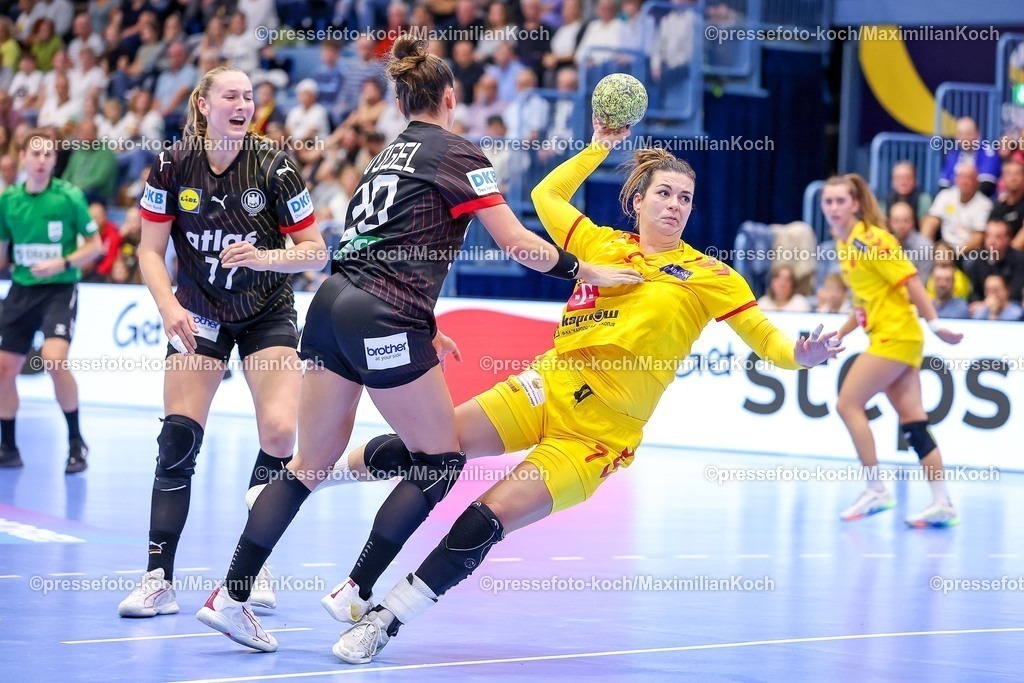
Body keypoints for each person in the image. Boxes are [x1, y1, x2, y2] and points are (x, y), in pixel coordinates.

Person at [306, 120, 844, 663]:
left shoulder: (711, 276)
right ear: (637, 200)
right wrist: (599, 147)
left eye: (686, 198)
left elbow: (771, 343)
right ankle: (316, 477)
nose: (676, 205)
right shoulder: (599, 243)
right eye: (664, 193)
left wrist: (804, 355)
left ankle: (385, 620)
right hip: (546, 386)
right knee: (436, 448)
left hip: (594, 436)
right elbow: (546, 196)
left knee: (486, 518)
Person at [194, 37, 641, 652]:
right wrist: (586, 272)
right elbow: (517, 244)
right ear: (450, 98)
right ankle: (355, 589)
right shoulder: (458, 152)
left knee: (309, 464)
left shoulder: (385, 156)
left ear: (402, 103)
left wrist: (423, 323)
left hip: (330, 305)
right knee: (440, 459)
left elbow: (374, 248)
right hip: (385, 316)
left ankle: (230, 595)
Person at [116, 66, 328, 618]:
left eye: (249, 96)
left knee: (280, 434)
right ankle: (158, 580)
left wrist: (264, 256)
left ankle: (252, 567)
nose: (243, 104)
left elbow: (315, 251)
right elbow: (148, 251)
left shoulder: (275, 166)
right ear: (203, 105)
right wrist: (168, 307)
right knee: (178, 440)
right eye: (231, 95)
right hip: (199, 313)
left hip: (265, 312)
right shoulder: (172, 164)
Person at [821, 174, 964, 527]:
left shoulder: (872, 241)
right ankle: (943, 502)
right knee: (914, 423)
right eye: (828, 201)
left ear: (855, 204)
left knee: (847, 404)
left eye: (841, 201)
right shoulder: (843, 244)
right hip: (892, 335)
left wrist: (935, 323)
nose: (834, 208)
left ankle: (876, 489)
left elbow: (911, 279)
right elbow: (863, 302)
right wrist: (838, 335)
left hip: (896, 335)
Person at [0, 129, 104, 472]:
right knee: (4, 369)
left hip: (59, 289)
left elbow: (96, 246)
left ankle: (76, 442)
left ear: (55, 160)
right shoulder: (8, 200)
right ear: (22, 158)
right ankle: (8, 448)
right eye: (36, 153)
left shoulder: (69, 197)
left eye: (48, 154)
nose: (42, 160)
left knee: (54, 359)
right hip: (21, 290)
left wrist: (62, 263)